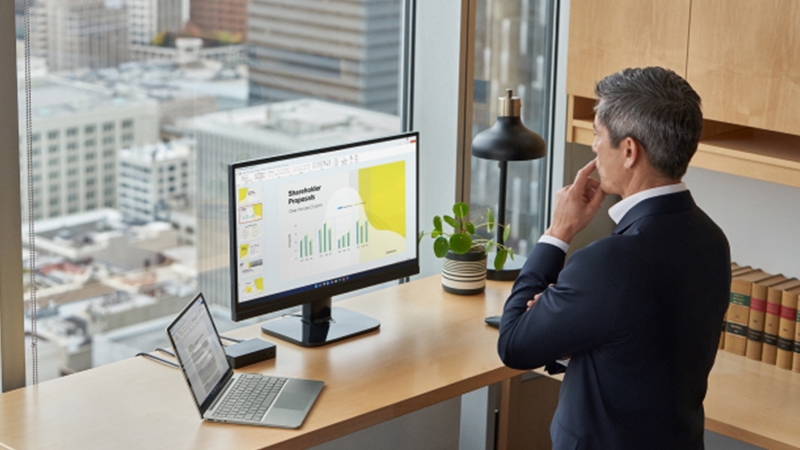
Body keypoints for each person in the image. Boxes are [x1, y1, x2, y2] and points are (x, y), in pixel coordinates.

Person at [497, 67, 731, 450]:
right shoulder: (712, 240)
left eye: (597, 135)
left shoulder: (607, 262)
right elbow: (642, 343)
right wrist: (576, 320)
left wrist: (558, 234)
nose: (592, 147)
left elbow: (514, 345)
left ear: (628, 151)